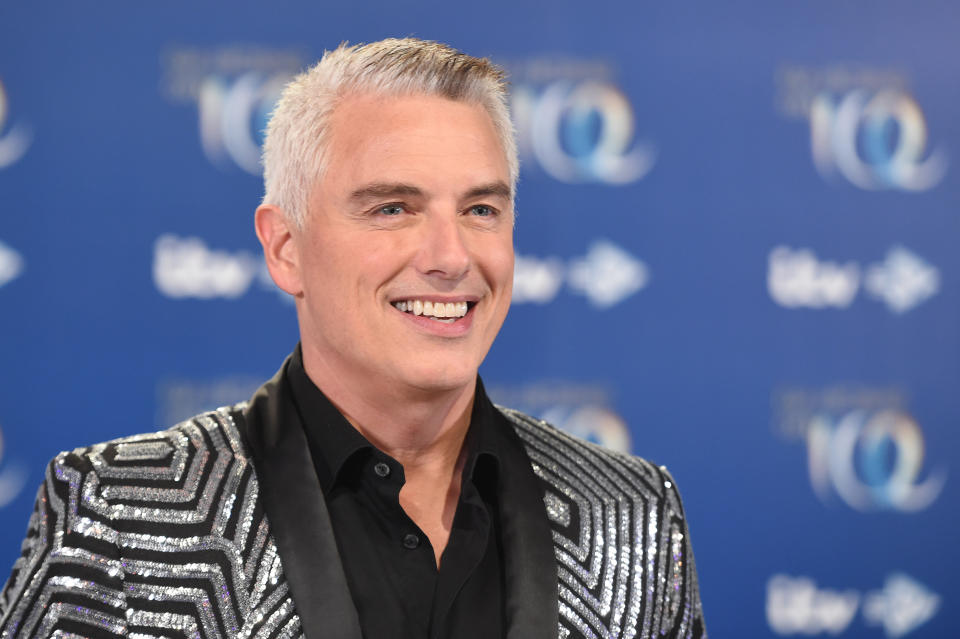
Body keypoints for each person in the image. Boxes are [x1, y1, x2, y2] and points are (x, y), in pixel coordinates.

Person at [0, 39, 705, 639]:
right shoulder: (119, 514)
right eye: (393, 208)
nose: (450, 255)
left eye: (481, 208)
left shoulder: (635, 513)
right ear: (284, 249)